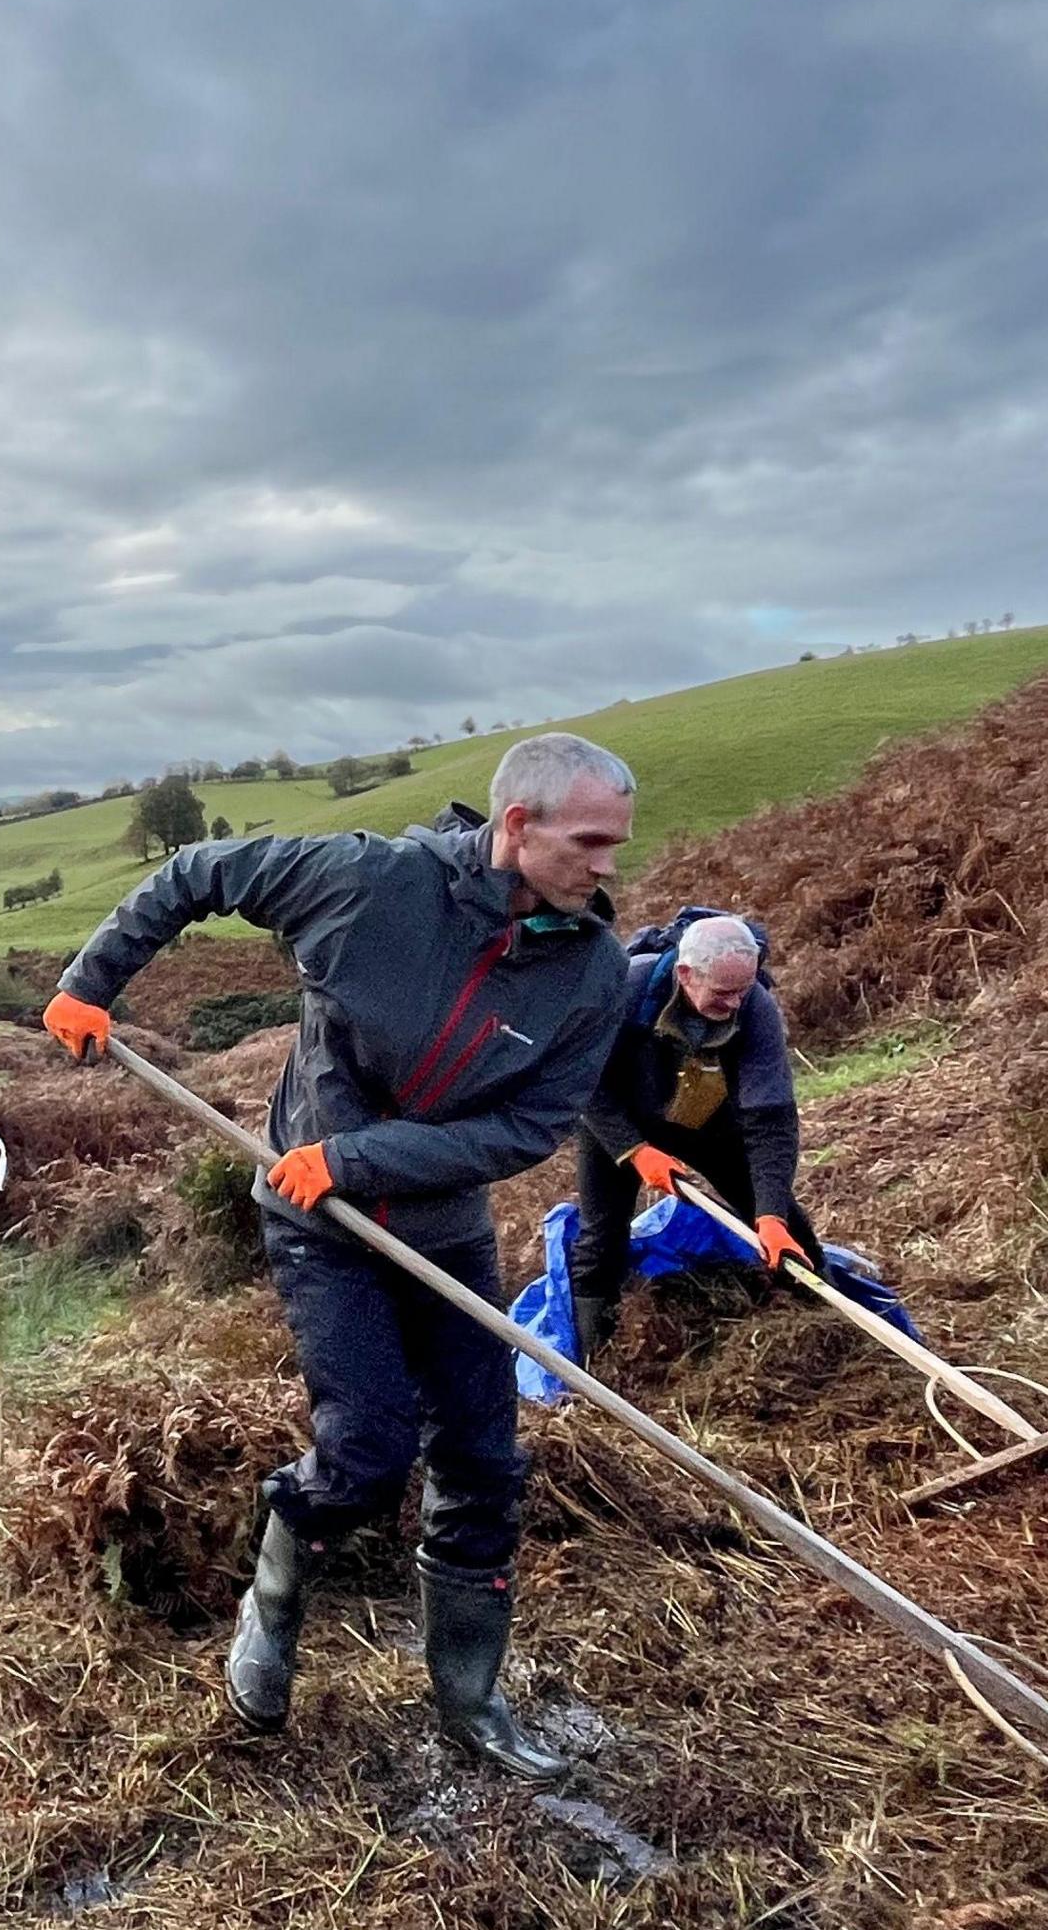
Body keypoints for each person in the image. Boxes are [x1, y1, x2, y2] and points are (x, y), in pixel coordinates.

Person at [43, 732, 635, 1779]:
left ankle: (469, 1697)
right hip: (319, 1225)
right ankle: (271, 1606)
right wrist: (93, 981)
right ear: (517, 826)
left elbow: (531, 1127)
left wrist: (364, 1156)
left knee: (485, 1461)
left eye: (615, 846)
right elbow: (196, 875)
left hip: (437, 1220)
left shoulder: (589, 968)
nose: (608, 866)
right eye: (589, 842)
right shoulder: (367, 882)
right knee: (363, 1455)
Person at [569, 914, 823, 1360]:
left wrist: (771, 1215)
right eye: (723, 993)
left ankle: (824, 1324)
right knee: (602, 1241)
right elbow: (581, 1080)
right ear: (685, 974)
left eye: (743, 991)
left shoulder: (755, 1008)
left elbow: (771, 1119)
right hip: (620, 1120)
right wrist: (634, 1150)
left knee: (793, 1232)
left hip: (707, 1121)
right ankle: (597, 1361)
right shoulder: (626, 990)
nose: (735, 1004)